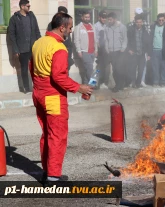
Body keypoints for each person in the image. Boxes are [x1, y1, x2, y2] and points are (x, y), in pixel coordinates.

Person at [31, 12, 93, 182]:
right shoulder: (58, 48)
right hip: (53, 96)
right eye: (70, 27)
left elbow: (31, 67)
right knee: (57, 135)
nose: (71, 31)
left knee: (47, 133)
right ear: (62, 27)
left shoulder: (39, 43)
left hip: (38, 93)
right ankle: (53, 177)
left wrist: (38, 89)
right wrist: (79, 87)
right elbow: (58, 76)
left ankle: (48, 171)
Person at [8, 0, 41, 94]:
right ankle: (27, 88)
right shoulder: (14, 18)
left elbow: (37, 31)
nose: (29, 7)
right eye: (28, 6)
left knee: (36, 68)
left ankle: (37, 87)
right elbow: (12, 35)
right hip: (22, 48)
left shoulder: (32, 16)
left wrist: (40, 44)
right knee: (24, 69)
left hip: (33, 47)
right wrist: (16, 49)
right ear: (22, 7)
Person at [104, 12, 128, 92]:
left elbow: (125, 39)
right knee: (115, 69)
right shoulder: (107, 27)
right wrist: (107, 49)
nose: (109, 21)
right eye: (108, 19)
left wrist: (123, 48)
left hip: (120, 51)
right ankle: (119, 85)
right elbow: (106, 39)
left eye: (110, 19)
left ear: (115, 19)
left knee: (119, 69)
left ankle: (119, 85)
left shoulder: (122, 27)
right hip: (111, 52)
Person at [127, 14, 151, 88]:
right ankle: (133, 82)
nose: (139, 24)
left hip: (142, 54)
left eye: (140, 22)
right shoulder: (131, 30)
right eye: (137, 22)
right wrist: (129, 49)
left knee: (141, 70)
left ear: (142, 22)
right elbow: (127, 40)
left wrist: (149, 54)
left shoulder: (145, 31)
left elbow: (148, 43)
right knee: (133, 69)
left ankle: (138, 83)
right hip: (134, 53)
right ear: (135, 22)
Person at [74, 10, 98, 84]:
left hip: (92, 51)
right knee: (90, 69)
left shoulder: (92, 26)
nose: (87, 18)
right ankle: (92, 84)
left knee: (87, 69)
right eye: (86, 17)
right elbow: (76, 40)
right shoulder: (78, 27)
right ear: (82, 17)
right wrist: (79, 51)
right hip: (84, 51)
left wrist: (96, 50)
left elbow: (95, 39)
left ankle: (85, 84)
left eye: (88, 17)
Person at [47, 6, 74, 71]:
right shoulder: (51, 24)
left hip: (66, 54)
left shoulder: (67, 25)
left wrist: (69, 56)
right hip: (57, 54)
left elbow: (69, 43)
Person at [150, 13, 165, 87]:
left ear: (164, 20)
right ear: (157, 20)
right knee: (155, 67)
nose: (161, 21)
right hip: (155, 50)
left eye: (162, 20)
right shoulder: (153, 27)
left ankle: (163, 81)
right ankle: (156, 81)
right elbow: (150, 39)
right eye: (160, 20)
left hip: (163, 50)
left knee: (163, 67)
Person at [94, 10, 109, 89]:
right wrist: (96, 50)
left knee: (106, 67)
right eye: (103, 17)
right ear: (99, 17)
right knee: (98, 67)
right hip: (99, 50)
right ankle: (94, 83)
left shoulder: (106, 26)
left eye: (105, 18)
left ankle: (104, 83)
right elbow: (95, 39)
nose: (104, 19)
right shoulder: (96, 26)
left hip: (106, 50)